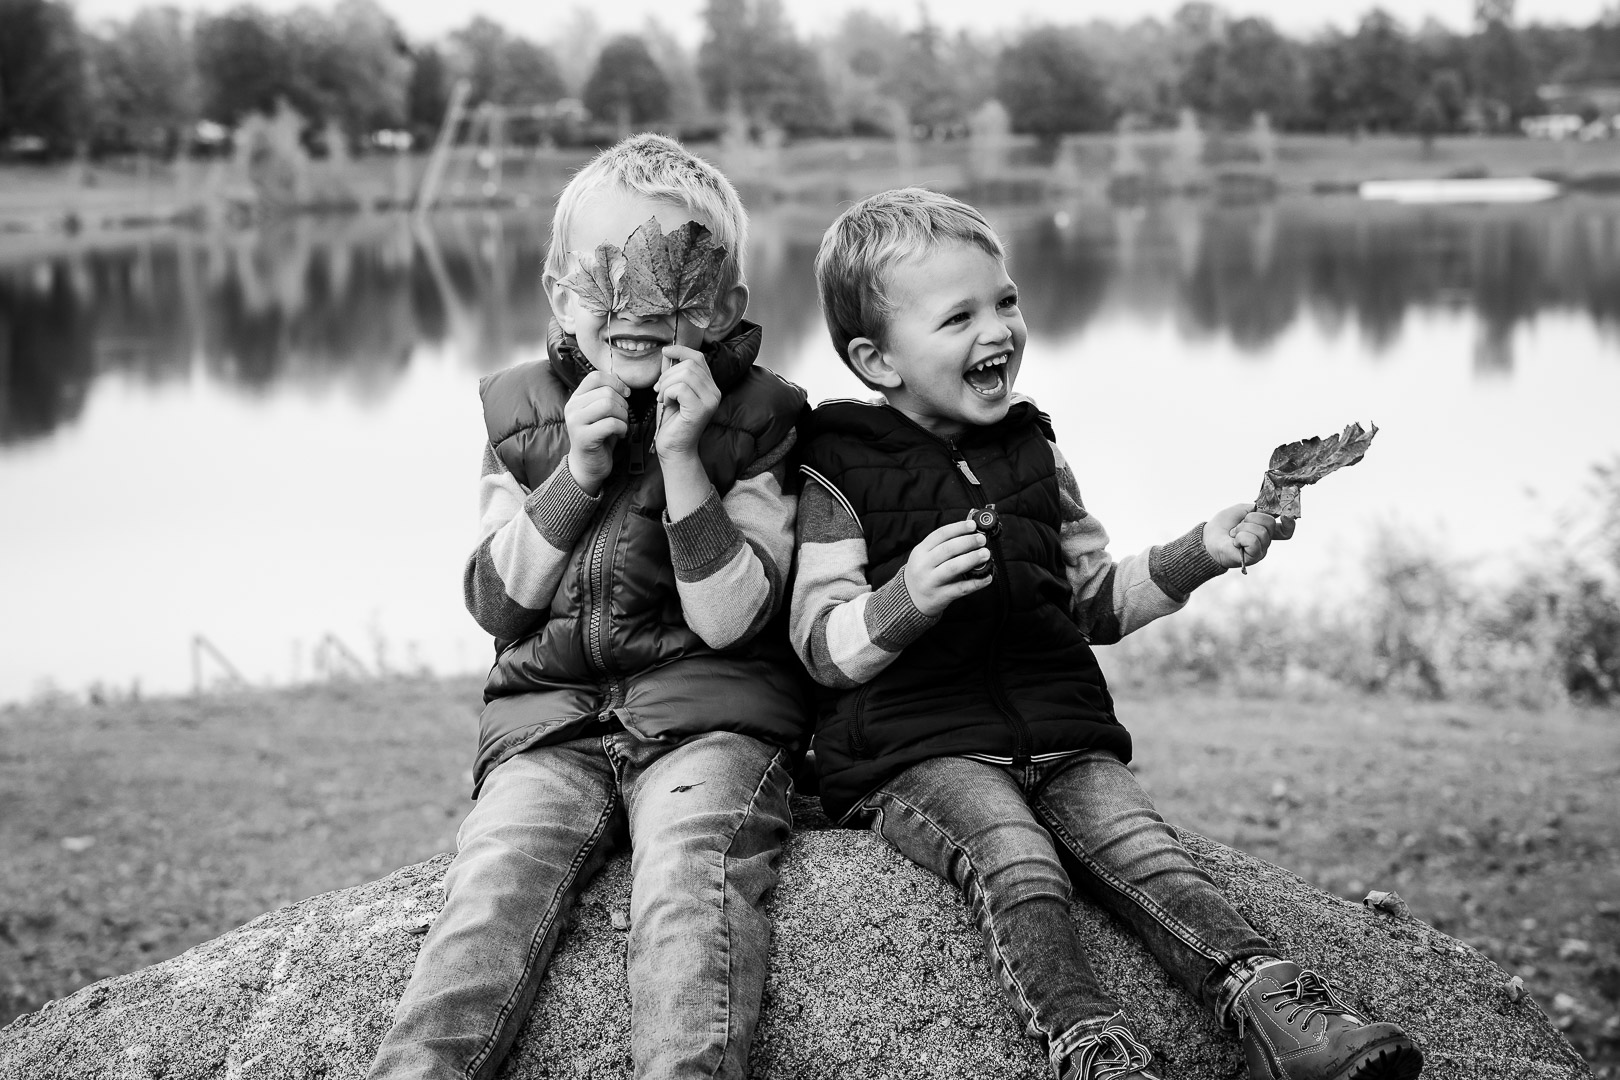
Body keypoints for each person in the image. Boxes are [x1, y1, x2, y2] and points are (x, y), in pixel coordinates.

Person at [789, 187, 1422, 1080]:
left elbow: (1093, 598)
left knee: (1148, 857)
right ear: (876, 359)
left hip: (1061, 733)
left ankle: (1281, 1013)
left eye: (1005, 300)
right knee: (1017, 862)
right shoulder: (838, 470)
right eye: (960, 316)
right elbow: (818, 643)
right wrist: (906, 597)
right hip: (916, 752)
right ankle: (1090, 1048)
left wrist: (1204, 548)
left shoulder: (1033, 450)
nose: (999, 329)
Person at [368, 133, 811, 1080]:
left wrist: (686, 459)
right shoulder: (521, 417)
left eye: (675, 286)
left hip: (710, 722)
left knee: (692, 887)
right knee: (489, 896)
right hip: (550, 727)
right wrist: (574, 473)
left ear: (725, 304)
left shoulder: (764, 420)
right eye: (608, 282)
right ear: (563, 296)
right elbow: (496, 604)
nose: (640, 316)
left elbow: (735, 621)